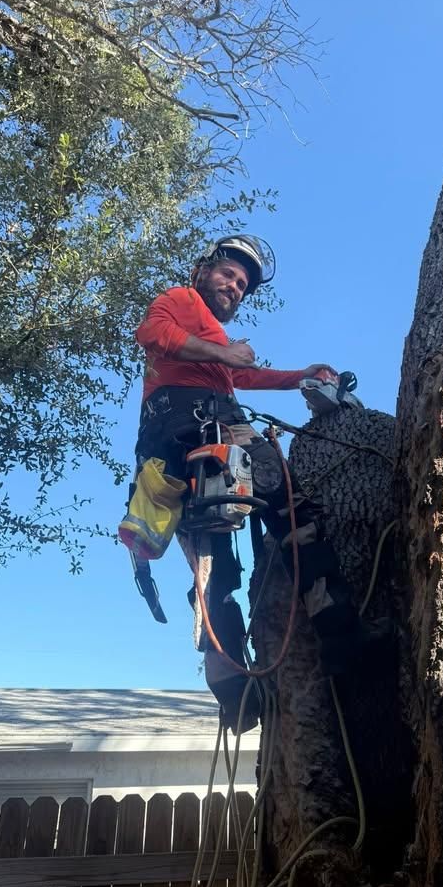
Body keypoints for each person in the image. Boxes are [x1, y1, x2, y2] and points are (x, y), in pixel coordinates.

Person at [134, 235, 360, 730]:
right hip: (198, 429)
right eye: (229, 275)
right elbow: (151, 332)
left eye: (242, 284)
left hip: (177, 442)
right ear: (203, 271)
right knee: (286, 519)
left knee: (217, 558)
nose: (235, 287)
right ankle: (310, 656)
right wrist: (228, 357)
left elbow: (246, 377)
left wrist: (301, 375)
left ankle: (249, 687)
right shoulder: (182, 300)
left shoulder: (212, 337)